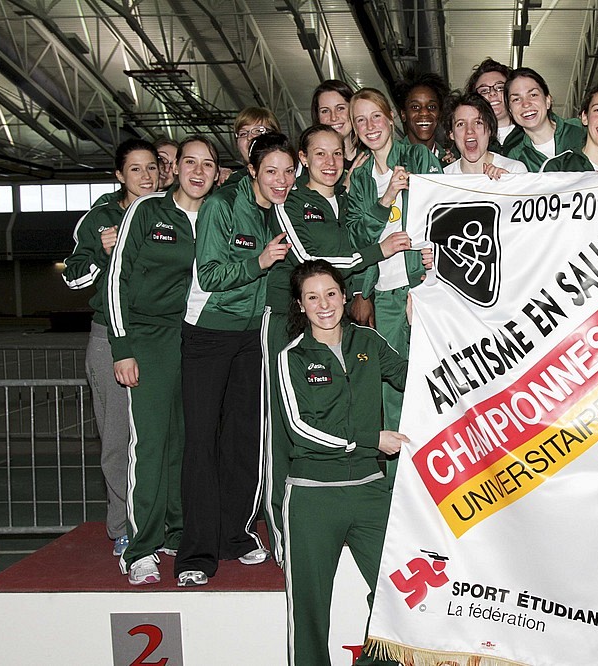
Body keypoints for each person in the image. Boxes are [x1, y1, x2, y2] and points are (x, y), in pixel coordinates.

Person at [262, 124, 413, 563]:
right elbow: (321, 262)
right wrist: (377, 252)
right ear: (304, 160)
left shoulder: (344, 201)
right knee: (284, 428)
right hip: (291, 324)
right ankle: (283, 531)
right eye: (319, 154)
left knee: (341, 413)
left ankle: (348, 520)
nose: (329, 162)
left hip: (333, 317)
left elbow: (355, 239)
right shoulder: (291, 201)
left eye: (336, 153)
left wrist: (382, 211)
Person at [173, 132, 296, 587]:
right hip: (208, 335)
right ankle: (196, 551)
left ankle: (235, 536)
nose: (281, 180)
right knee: (202, 443)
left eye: (288, 171)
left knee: (243, 441)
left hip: (252, 338)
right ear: (252, 171)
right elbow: (207, 274)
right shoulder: (222, 206)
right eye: (271, 171)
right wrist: (258, 262)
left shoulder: (283, 209)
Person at [279, 260, 406, 666]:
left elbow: (413, 375)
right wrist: (371, 440)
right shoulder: (293, 357)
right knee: (310, 611)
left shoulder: (367, 341)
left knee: (397, 595)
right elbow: (300, 429)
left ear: (344, 295)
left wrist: (420, 327)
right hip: (314, 497)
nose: (324, 304)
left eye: (331, 293)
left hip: (370, 491)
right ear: (300, 305)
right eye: (312, 297)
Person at [106, 136, 219, 584]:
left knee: (184, 442)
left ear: (216, 173)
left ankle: (175, 528)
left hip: (195, 340)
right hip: (149, 339)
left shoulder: (217, 214)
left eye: (208, 164)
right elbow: (118, 277)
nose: (197, 171)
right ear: (175, 169)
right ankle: (140, 546)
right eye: (189, 162)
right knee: (150, 444)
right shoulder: (147, 210)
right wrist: (123, 346)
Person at [62, 138, 158, 558]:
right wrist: (103, 255)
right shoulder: (100, 218)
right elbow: (73, 278)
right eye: (135, 169)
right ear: (120, 175)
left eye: (152, 167)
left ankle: (160, 521)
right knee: (118, 440)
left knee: (160, 438)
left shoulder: (169, 212)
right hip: (109, 339)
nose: (145, 176)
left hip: (159, 339)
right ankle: (122, 527)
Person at [346, 88, 442, 478]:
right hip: (383, 295)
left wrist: (424, 286)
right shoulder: (359, 178)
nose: (369, 126)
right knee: (391, 389)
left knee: (433, 383)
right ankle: (398, 484)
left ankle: (432, 473)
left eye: (375, 116)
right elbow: (356, 238)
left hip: (421, 289)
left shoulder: (418, 157)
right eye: (359, 120)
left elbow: (440, 215)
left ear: (390, 118)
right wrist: (384, 199)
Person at [503, 67, 586, 172]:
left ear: (547, 100)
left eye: (533, 95)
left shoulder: (581, 129)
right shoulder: (516, 158)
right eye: (516, 99)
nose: (526, 104)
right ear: (510, 110)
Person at [442, 92, 527, 177]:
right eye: (461, 124)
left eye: (478, 122)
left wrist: (507, 183)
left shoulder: (514, 170)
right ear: (451, 134)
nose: (469, 130)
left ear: (489, 129)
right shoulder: (443, 177)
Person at [465, 57, 522, 153]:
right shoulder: (466, 140)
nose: (492, 93)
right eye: (484, 90)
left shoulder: (530, 134)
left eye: (499, 87)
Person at [392, 70, 451, 160]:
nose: (424, 112)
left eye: (431, 107)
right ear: (403, 114)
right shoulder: (390, 158)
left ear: (439, 114)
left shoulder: (447, 162)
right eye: (415, 107)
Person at [220, 106, 283, 188]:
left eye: (258, 131)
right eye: (243, 133)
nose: (249, 137)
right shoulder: (230, 185)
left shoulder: (299, 178)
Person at [310, 79, 360, 170]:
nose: (333, 117)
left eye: (340, 108)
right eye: (325, 111)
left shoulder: (372, 156)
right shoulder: (310, 164)